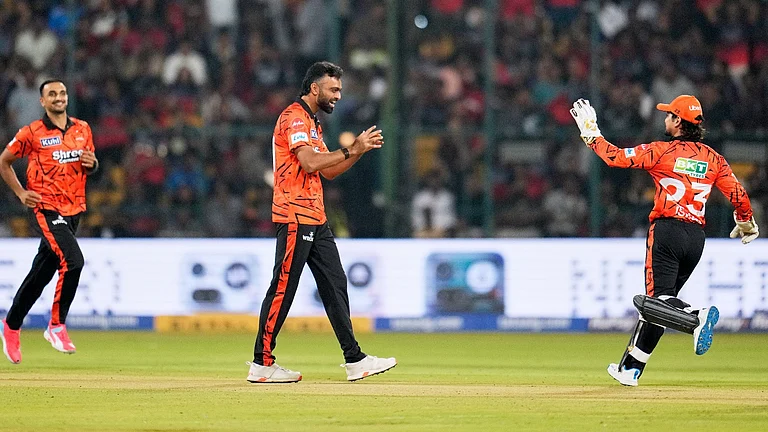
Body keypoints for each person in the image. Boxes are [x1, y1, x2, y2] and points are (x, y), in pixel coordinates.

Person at [570, 95, 758, 386]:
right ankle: (631, 369)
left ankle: (696, 316)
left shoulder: (660, 151)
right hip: (696, 238)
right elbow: (738, 195)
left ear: (678, 121)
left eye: (669, 115)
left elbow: (615, 157)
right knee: (661, 306)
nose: (665, 118)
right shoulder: (714, 158)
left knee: (658, 300)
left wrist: (591, 134)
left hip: (667, 231)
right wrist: (745, 222)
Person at [246, 61, 396, 383]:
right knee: (284, 287)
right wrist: (350, 150)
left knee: (335, 284)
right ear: (315, 88)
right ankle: (262, 363)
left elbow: (327, 171)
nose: (338, 95)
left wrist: (358, 151)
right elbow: (310, 162)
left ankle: (355, 359)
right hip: (295, 214)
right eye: (334, 89)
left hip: (315, 216)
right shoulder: (294, 117)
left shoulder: (312, 122)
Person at [0, 79, 99, 364]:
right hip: (46, 207)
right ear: (42, 101)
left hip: (74, 208)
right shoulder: (32, 132)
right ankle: (56, 326)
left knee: (41, 273)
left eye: (62, 93)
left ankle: (11, 325)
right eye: (52, 94)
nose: (58, 97)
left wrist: (92, 165)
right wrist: (21, 193)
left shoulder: (82, 129)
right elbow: (4, 161)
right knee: (74, 261)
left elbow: (89, 164)